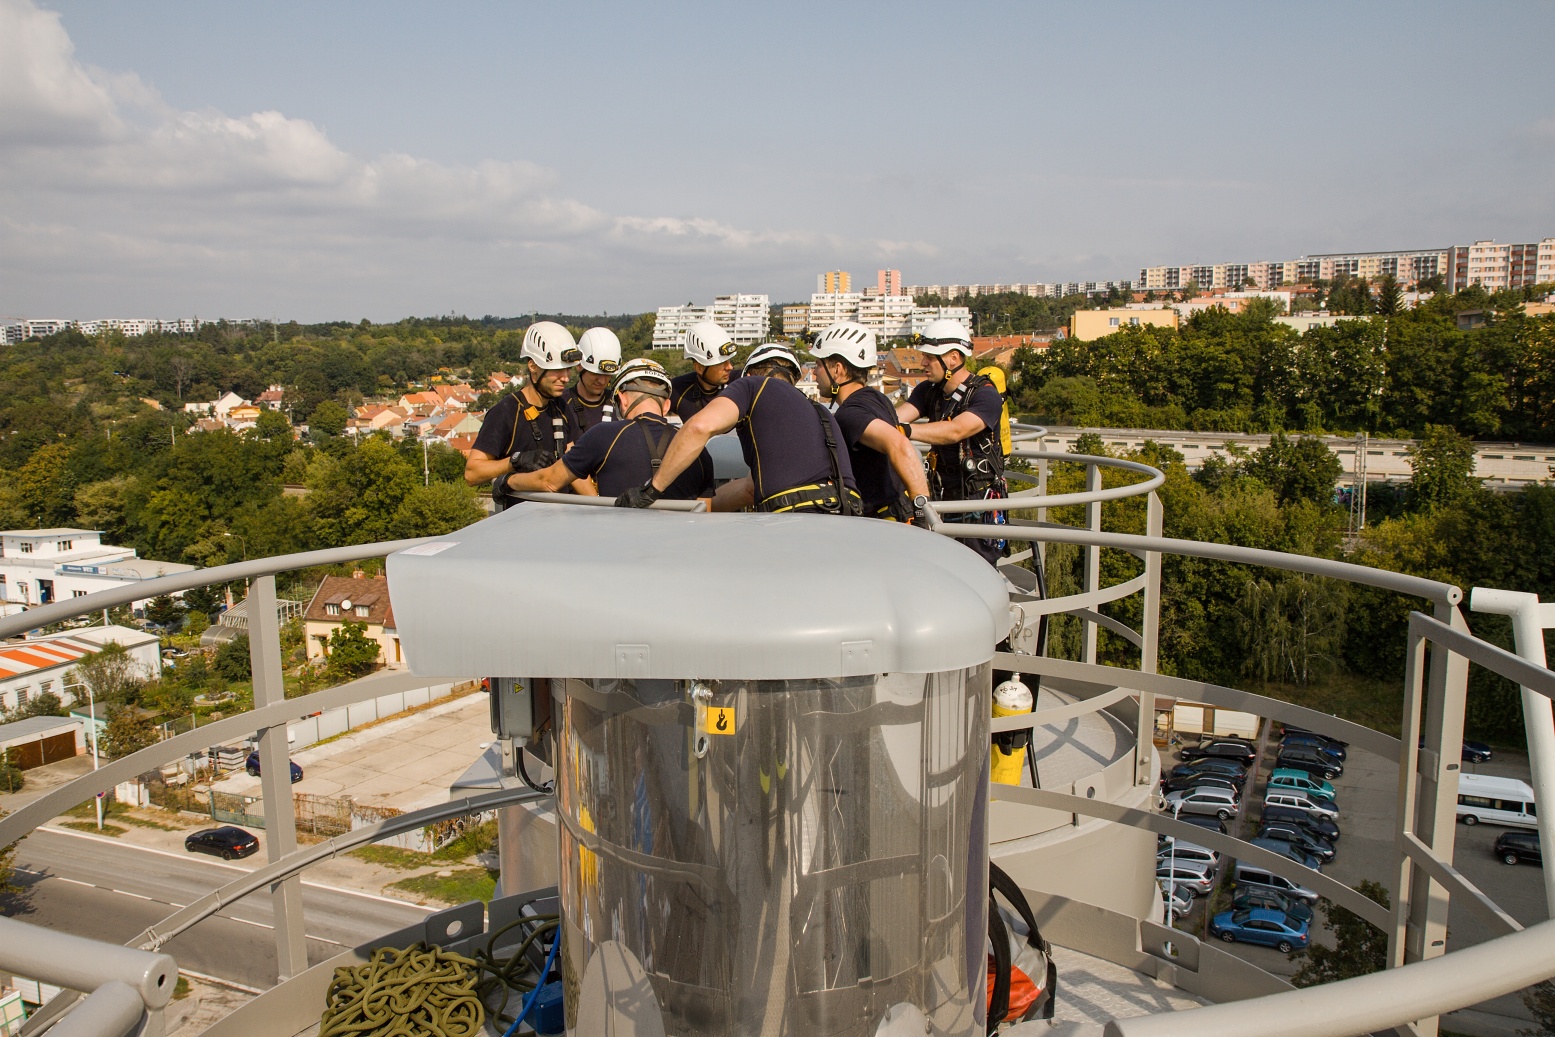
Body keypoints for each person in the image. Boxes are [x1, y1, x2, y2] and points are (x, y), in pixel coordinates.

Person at [617, 343, 861, 516]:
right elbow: (749, 488)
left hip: (796, 517)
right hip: (846, 514)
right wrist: (700, 505)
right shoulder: (819, 413)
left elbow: (699, 427)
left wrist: (651, 490)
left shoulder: (753, 385)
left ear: (750, 373)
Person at [501, 358, 718, 502]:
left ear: (622, 400)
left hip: (619, 557)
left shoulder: (603, 435)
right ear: (667, 405)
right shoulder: (698, 451)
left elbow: (548, 481)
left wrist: (508, 481)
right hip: (674, 560)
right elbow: (703, 513)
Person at [895, 318, 1007, 562]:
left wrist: (905, 432)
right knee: (940, 564)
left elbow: (956, 430)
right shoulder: (928, 391)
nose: (923, 362)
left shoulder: (985, 395)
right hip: (941, 495)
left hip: (977, 501)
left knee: (979, 567)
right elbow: (898, 417)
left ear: (953, 358)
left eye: (930, 357)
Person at [809, 321, 931, 522]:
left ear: (837, 370)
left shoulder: (850, 414)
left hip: (882, 524)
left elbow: (899, 445)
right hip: (896, 514)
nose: (814, 372)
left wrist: (923, 511)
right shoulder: (877, 398)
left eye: (819, 365)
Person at [463, 321, 581, 500]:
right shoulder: (506, 412)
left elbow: (573, 465)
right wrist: (516, 461)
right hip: (520, 521)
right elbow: (472, 473)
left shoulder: (561, 407)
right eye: (557, 370)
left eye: (568, 370)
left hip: (559, 519)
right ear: (533, 366)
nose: (565, 378)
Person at [668, 321, 737, 421]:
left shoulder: (740, 381)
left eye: (729, 360)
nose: (729, 367)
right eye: (720, 363)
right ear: (699, 368)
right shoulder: (677, 390)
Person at [562, 327, 622, 441]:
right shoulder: (561, 404)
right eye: (596, 374)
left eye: (607, 375)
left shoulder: (619, 403)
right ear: (579, 366)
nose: (602, 381)